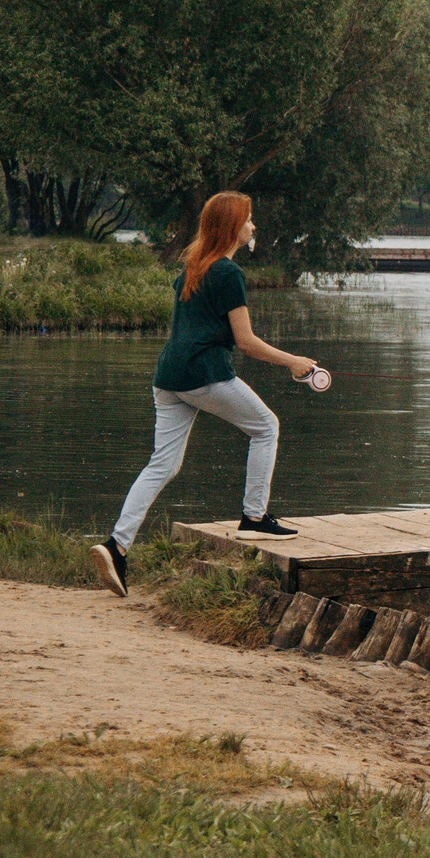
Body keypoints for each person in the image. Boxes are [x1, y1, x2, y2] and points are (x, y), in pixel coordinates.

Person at [90, 191, 323, 596]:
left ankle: (116, 546)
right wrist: (293, 361)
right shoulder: (229, 273)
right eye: (248, 219)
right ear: (233, 227)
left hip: (169, 378)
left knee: (162, 465)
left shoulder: (193, 268)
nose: (253, 226)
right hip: (204, 375)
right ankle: (254, 518)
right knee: (266, 427)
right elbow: (246, 341)